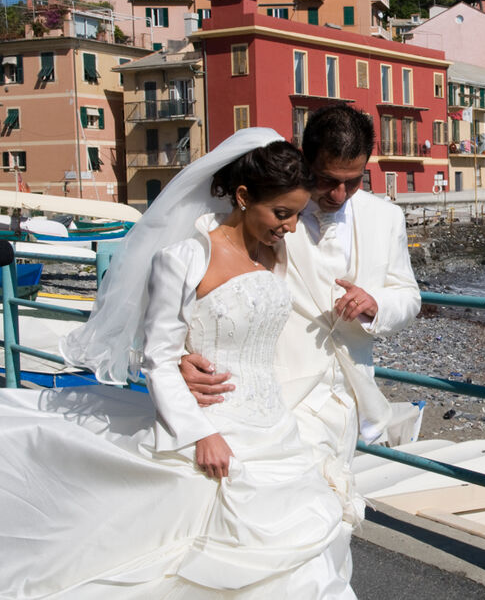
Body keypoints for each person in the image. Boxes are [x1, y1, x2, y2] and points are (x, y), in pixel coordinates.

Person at [0, 129, 356, 598]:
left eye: (296, 215)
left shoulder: (274, 252)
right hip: (211, 423)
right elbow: (159, 358)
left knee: (304, 541)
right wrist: (200, 433)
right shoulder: (184, 258)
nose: (291, 227)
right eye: (282, 214)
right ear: (244, 197)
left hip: (276, 426)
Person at [180, 105, 421, 522]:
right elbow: (204, 291)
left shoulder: (387, 217)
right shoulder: (260, 211)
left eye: (354, 181)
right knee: (288, 518)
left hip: (349, 399)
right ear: (305, 160)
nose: (340, 194)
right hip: (275, 395)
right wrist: (179, 357)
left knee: (331, 515)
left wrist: (377, 304)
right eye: (328, 181)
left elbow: (409, 295)